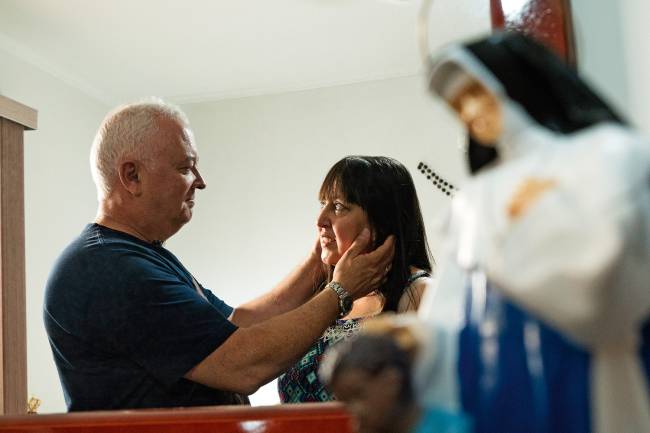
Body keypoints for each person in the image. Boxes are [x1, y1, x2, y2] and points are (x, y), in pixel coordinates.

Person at [43, 99, 395, 411]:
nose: (199, 181)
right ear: (132, 176)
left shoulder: (145, 257)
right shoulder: (111, 270)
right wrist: (340, 291)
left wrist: (317, 263)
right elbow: (242, 365)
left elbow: (237, 323)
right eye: (185, 167)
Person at [416, 32, 650, 433]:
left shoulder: (606, 154)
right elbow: (451, 308)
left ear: (512, 81)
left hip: (584, 367)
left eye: (476, 92)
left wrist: (504, 237)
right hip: (497, 375)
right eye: (457, 105)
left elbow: (601, 284)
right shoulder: (472, 199)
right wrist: (411, 342)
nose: (470, 111)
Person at [278, 156, 434, 403]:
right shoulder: (321, 296)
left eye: (339, 206)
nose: (320, 220)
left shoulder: (420, 294)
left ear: (381, 220)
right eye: (322, 204)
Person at [319, 317, 471, 433]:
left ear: (392, 380)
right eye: (346, 404)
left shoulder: (453, 428)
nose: (355, 415)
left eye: (358, 395)